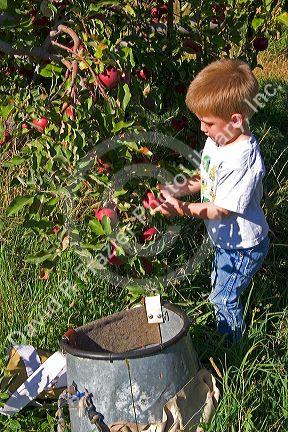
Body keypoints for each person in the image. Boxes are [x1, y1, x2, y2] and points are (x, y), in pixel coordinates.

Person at [153, 59, 270, 341]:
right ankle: (226, 332)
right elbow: (207, 175)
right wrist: (177, 188)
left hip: (243, 245)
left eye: (207, 122)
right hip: (226, 241)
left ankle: (232, 349)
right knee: (220, 285)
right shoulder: (219, 140)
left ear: (235, 120)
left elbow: (222, 211)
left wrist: (181, 209)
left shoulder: (242, 159)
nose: (202, 129)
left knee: (223, 298)